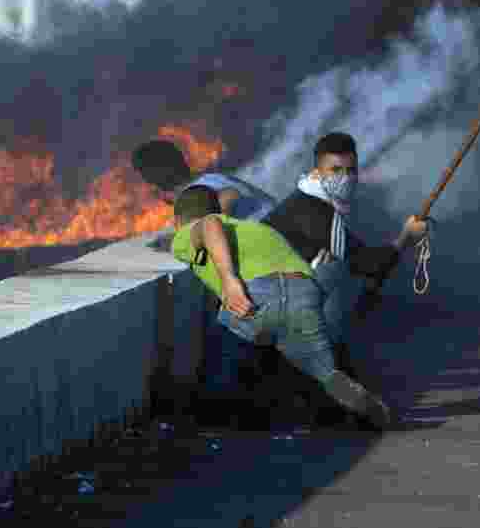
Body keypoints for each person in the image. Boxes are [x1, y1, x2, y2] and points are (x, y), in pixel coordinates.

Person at [170, 184, 395, 430]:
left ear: (177, 221)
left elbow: (209, 224)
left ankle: (214, 413)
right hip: (304, 292)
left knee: (223, 332)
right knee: (324, 373)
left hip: (259, 295)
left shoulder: (187, 231)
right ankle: (366, 409)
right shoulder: (258, 229)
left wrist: (229, 280)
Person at [262, 132, 429, 422]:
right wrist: (406, 237)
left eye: (350, 170)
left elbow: (357, 256)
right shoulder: (316, 212)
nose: (345, 178)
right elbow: (367, 264)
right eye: (335, 170)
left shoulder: (313, 203)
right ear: (317, 171)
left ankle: (333, 404)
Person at [132, 139, 277, 221]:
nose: (148, 182)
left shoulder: (203, 189)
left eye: (147, 175)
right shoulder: (215, 179)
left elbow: (229, 197)